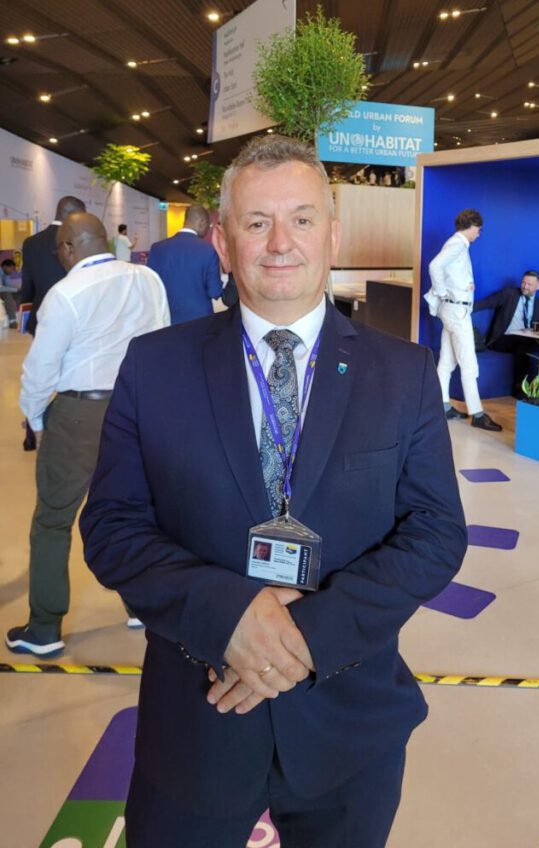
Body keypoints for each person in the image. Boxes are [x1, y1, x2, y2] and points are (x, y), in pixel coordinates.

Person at [79, 135, 466, 848]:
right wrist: (229, 616)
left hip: (347, 724)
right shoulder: (154, 367)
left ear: (332, 236)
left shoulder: (403, 374)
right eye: (257, 222)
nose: (280, 242)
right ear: (223, 244)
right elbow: (112, 526)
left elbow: (435, 532)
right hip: (197, 724)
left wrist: (307, 637)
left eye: (301, 219)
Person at [5, 213, 169, 658]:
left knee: (53, 520)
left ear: (68, 248)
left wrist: (36, 420)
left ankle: (44, 628)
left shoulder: (65, 294)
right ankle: (140, 607)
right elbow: (162, 342)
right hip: (136, 410)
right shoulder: (148, 280)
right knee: (131, 513)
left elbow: (41, 369)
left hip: (79, 415)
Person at [424, 209, 502, 431]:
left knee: (447, 361)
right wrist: (443, 291)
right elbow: (434, 266)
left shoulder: (456, 243)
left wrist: (461, 287)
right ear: (472, 226)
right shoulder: (458, 244)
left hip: (453, 310)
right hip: (457, 312)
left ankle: (443, 405)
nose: (479, 233)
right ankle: (477, 413)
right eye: (479, 229)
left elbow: (449, 272)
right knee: (469, 363)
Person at [18, 195, 86, 337]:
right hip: (74, 319)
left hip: (40, 319)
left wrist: (26, 311)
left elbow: (27, 286)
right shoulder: (79, 241)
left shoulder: (30, 242)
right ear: (72, 215)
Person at [474, 270, 539, 395]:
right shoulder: (509, 294)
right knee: (524, 344)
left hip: (526, 341)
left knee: (534, 347)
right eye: (523, 282)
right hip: (502, 339)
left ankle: (538, 390)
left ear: (538, 286)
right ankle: (519, 388)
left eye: (529, 284)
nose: (525, 286)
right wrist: (462, 307)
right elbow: (486, 303)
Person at [147, 205, 224, 323]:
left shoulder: (157, 248)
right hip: (200, 322)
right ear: (201, 222)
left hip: (166, 320)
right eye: (209, 226)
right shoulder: (208, 250)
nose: (209, 230)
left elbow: (149, 288)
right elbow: (215, 292)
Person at [1, 257, 20, 327]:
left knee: (20, 294)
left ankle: (22, 317)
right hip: (2, 291)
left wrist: (17, 289)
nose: (12, 271)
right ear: (4, 267)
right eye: (11, 269)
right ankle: (12, 321)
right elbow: (1, 288)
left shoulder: (7, 274)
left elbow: (11, 286)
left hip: (5, 291)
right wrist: (15, 289)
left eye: (13, 269)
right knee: (8, 295)